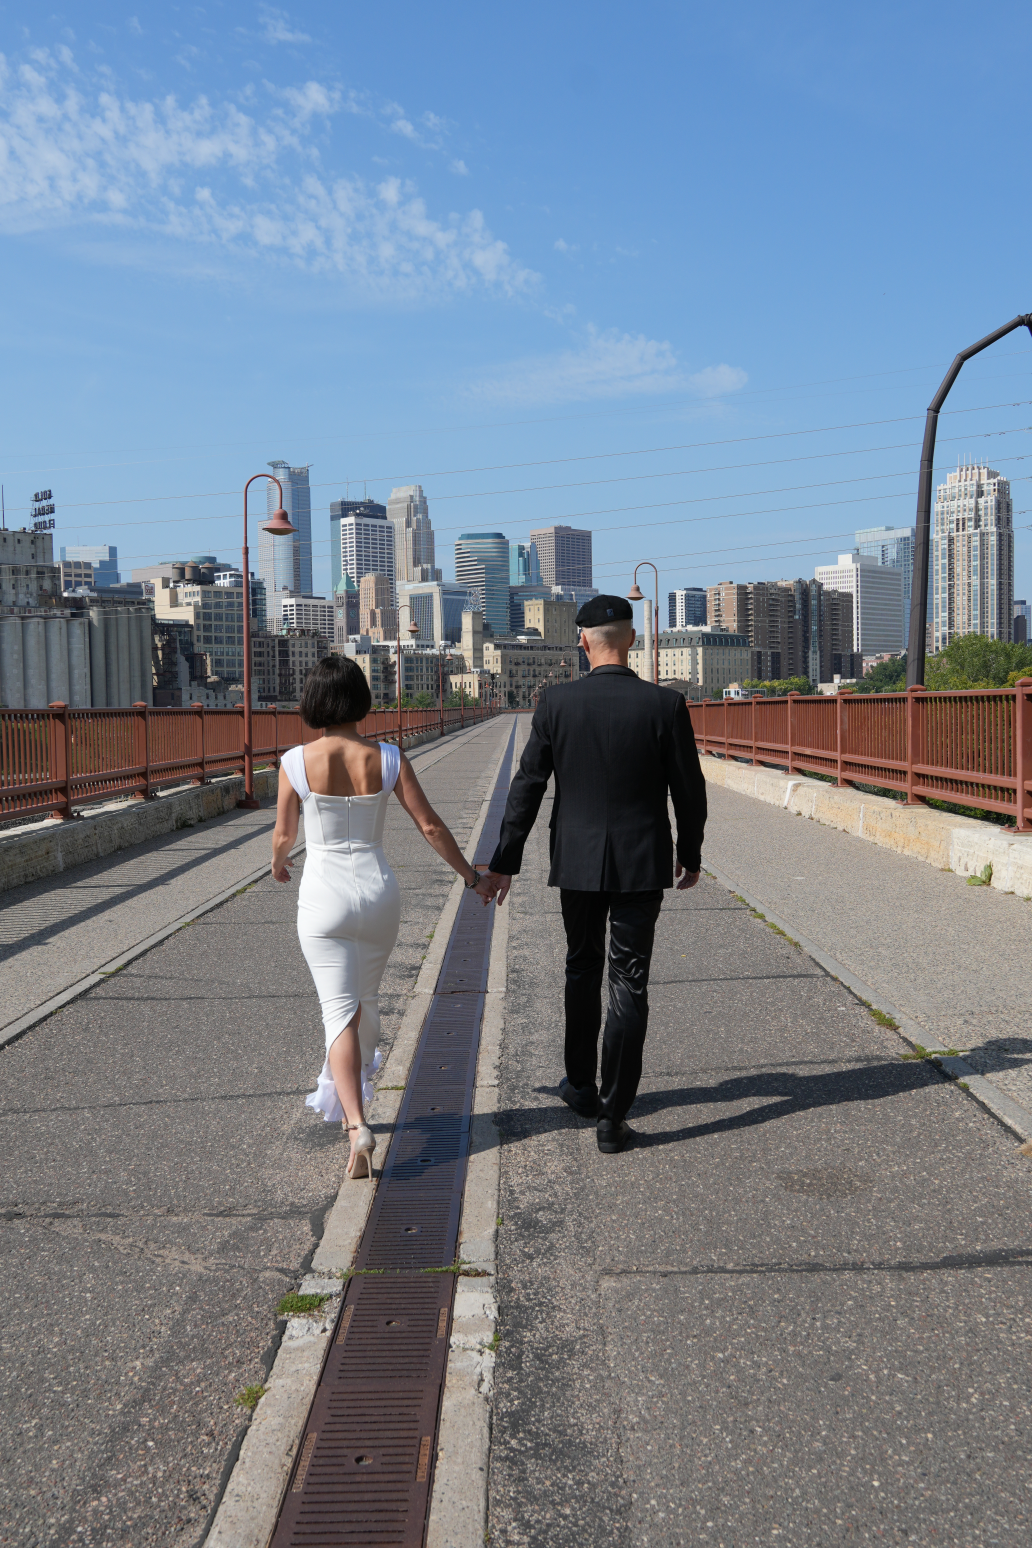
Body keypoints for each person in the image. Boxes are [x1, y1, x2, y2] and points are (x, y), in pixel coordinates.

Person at [477, 595, 707, 1153]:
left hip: (576, 861)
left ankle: (580, 1086)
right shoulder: (665, 705)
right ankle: (613, 1113)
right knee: (630, 978)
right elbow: (689, 790)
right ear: (631, 639)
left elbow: (526, 787)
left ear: (583, 643)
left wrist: (505, 861)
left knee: (581, 967)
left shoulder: (555, 703)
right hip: (641, 860)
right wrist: (689, 851)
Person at [271, 655, 489, 1181]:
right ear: (360, 699)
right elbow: (430, 825)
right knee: (363, 1004)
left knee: (339, 1012)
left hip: (323, 897)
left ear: (314, 701)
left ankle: (356, 1125)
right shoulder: (389, 757)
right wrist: (470, 876)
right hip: (377, 893)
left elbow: (283, 836)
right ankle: (353, 1097)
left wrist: (278, 863)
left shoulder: (294, 761)